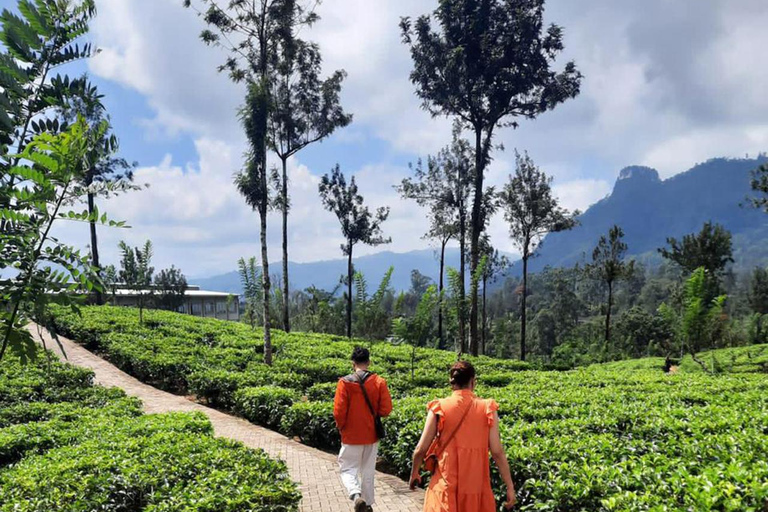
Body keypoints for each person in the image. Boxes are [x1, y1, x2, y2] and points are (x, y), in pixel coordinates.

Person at [409, 361, 516, 511]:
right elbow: (497, 452)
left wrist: (414, 472)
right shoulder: (487, 408)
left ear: (451, 382)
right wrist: (510, 486)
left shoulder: (439, 407)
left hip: (445, 483)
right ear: (473, 381)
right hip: (475, 487)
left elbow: (420, 449)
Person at [334, 347, 393, 512]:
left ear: (353, 364)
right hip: (371, 434)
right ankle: (366, 504)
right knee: (368, 471)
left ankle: (355, 495)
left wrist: (341, 427)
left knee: (347, 468)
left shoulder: (344, 382)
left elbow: (339, 411)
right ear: (368, 362)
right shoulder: (379, 382)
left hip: (351, 435)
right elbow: (386, 410)